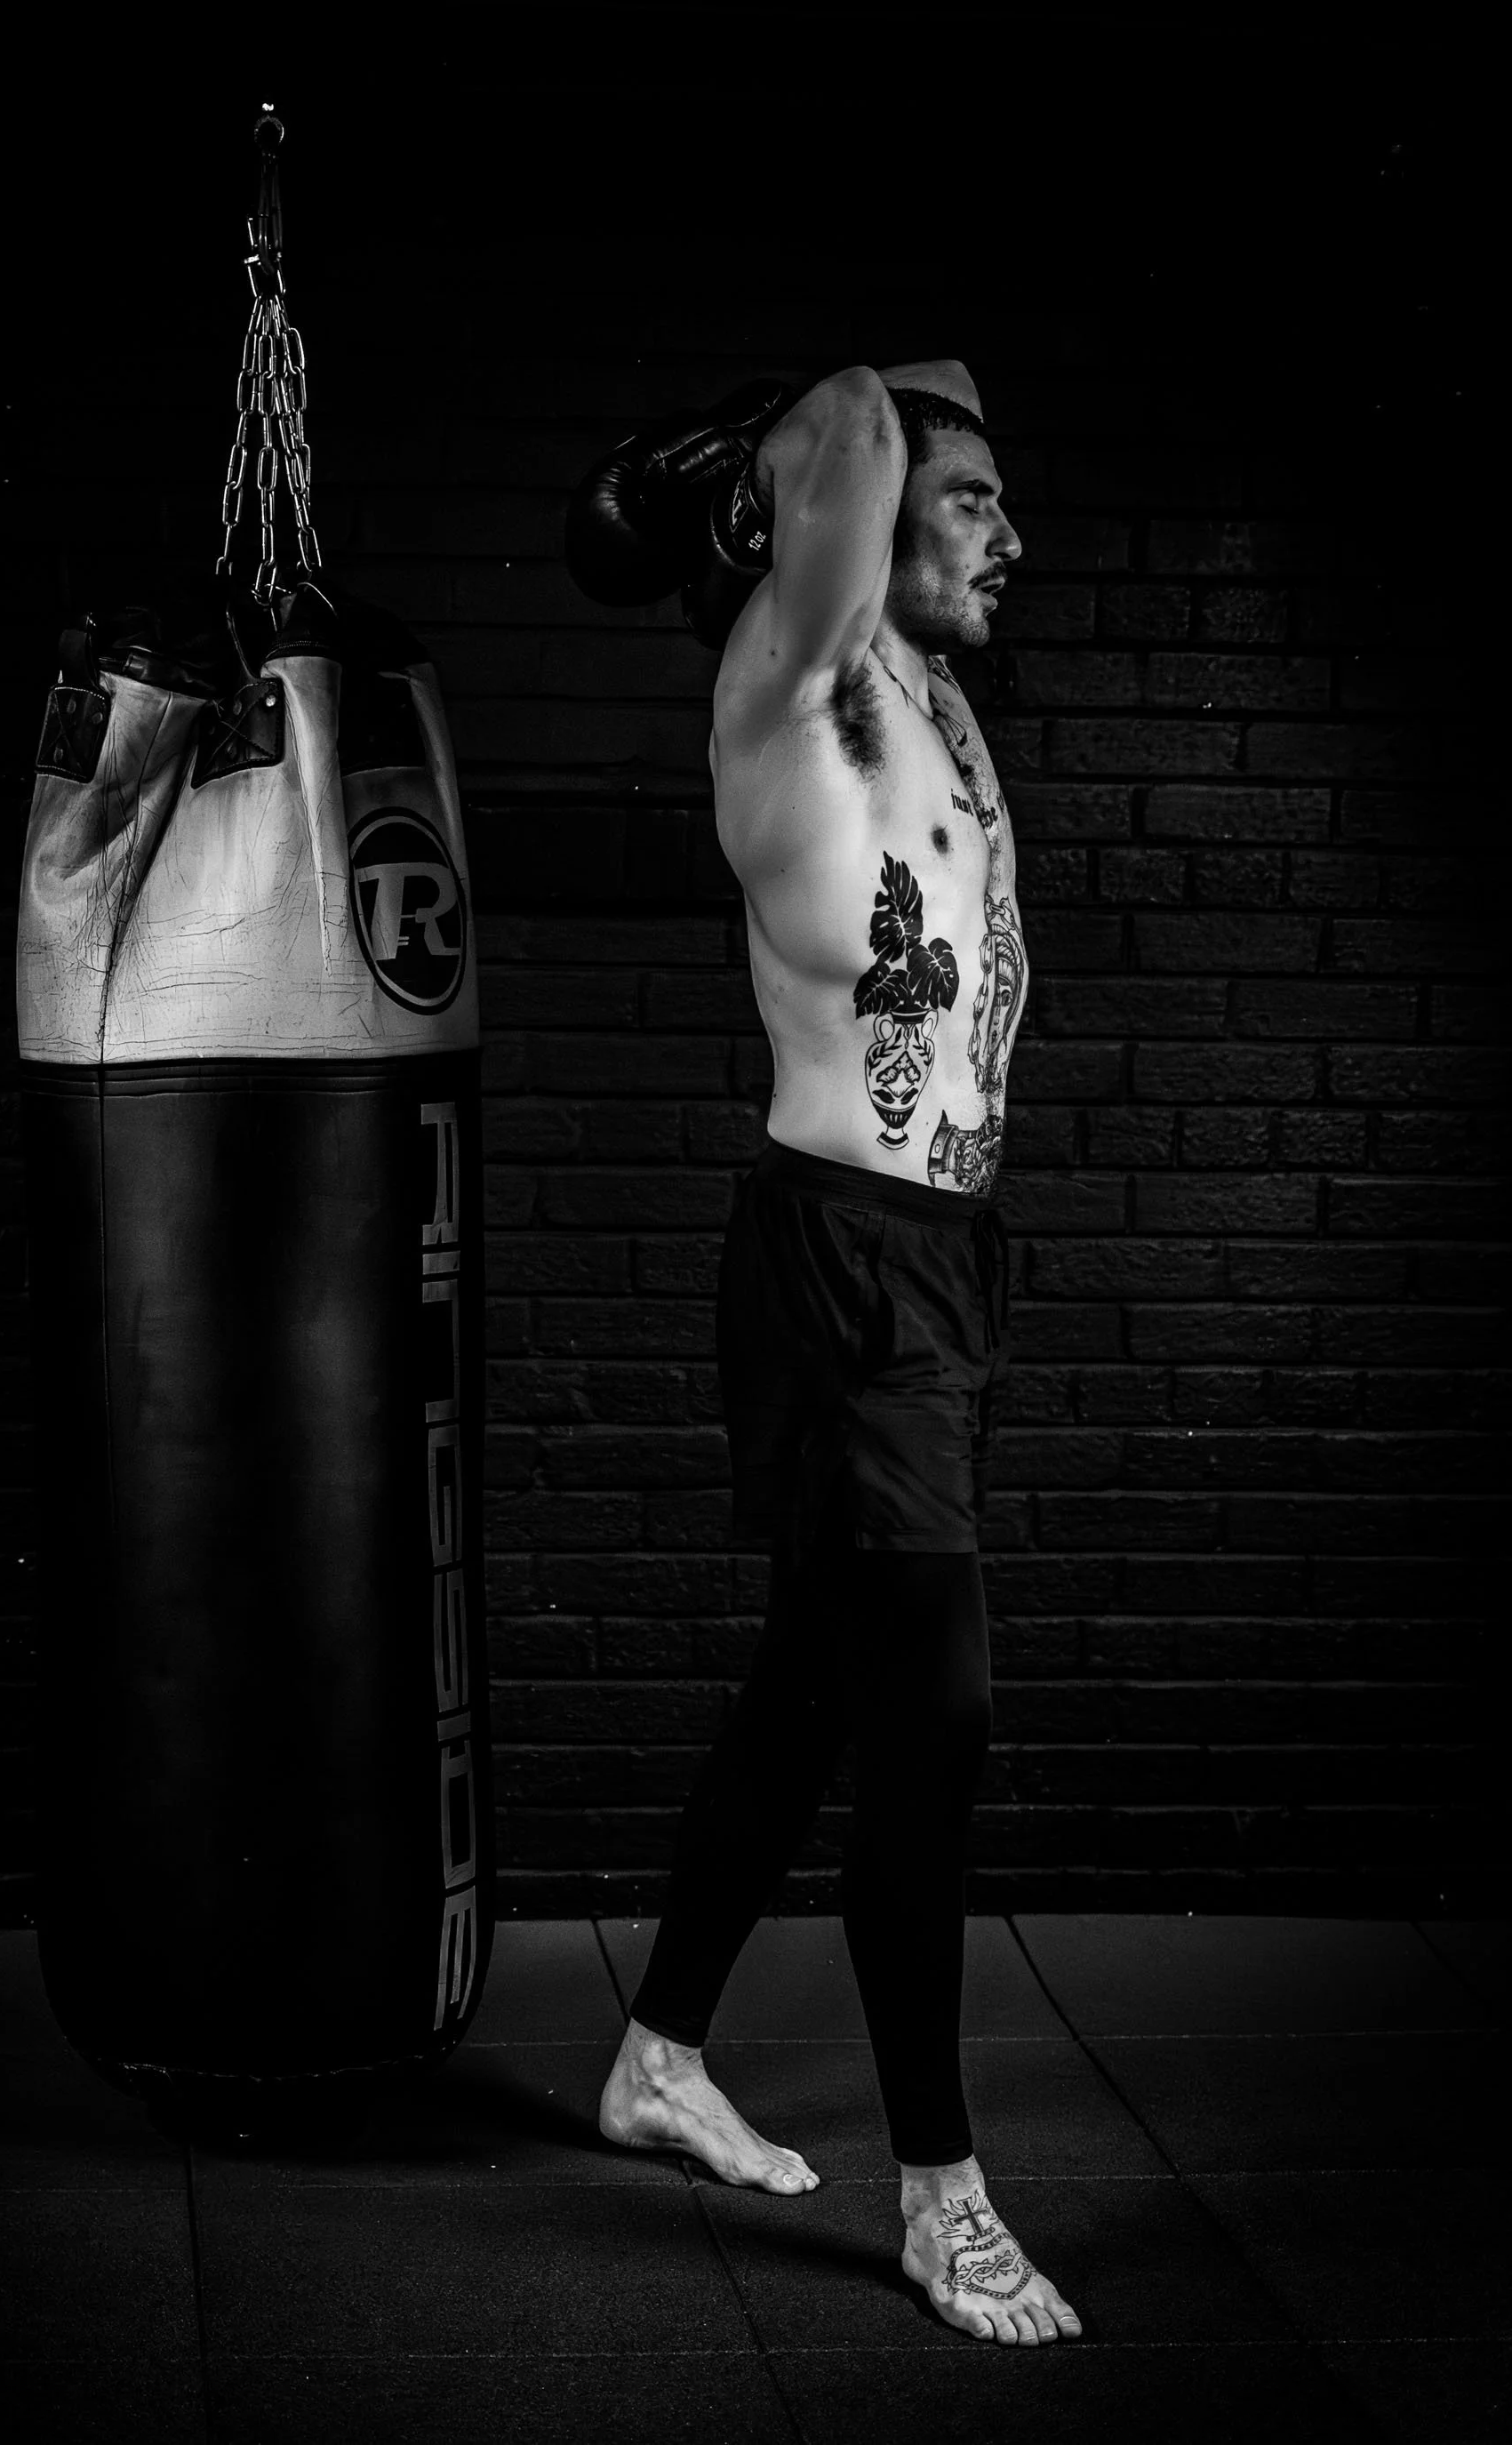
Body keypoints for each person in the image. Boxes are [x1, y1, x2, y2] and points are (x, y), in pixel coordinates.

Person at [572, 361, 1080, 2347]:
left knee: (810, 1689)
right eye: (975, 503)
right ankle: (940, 2198)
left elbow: (888, 441)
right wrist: (787, 465)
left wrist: (885, 472)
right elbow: (866, 413)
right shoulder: (789, 700)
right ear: (834, 538)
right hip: (840, 1275)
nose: (1006, 536)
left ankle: (655, 2056)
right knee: (925, 1723)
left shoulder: (932, 699)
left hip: (946, 1262)